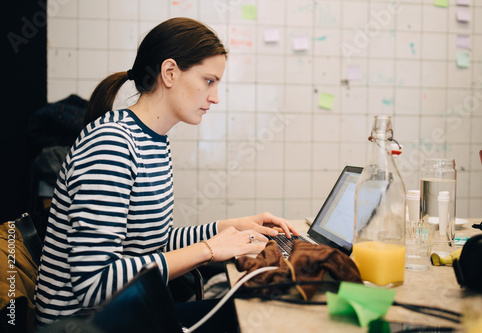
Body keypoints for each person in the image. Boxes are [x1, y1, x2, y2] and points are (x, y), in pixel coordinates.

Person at [34, 17, 299, 330]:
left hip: (127, 312)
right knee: (257, 321)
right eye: (209, 81)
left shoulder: (153, 140)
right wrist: (210, 250)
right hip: (86, 324)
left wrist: (227, 228)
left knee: (259, 310)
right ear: (170, 72)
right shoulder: (112, 143)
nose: (215, 97)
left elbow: (151, 245)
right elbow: (95, 285)